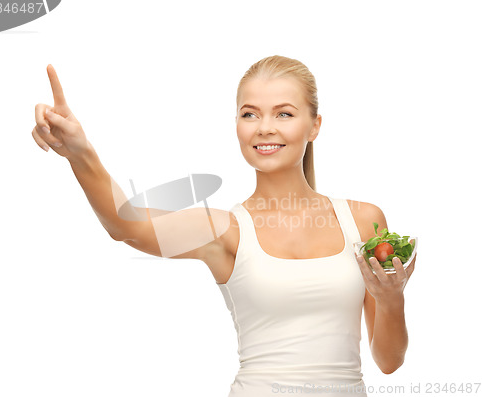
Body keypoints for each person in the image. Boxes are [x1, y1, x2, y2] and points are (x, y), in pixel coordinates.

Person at [32, 55, 416, 396]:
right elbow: (125, 225)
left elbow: (388, 361)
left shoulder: (364, 221)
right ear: (237, 125)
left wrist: (390, 297)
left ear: (314, 125)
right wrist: (80, 153)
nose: (264, 127)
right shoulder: (225, 231)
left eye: (284, 113)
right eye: (250, 114)